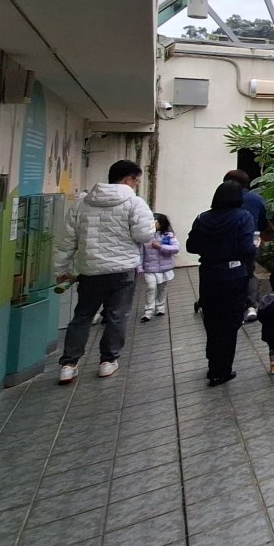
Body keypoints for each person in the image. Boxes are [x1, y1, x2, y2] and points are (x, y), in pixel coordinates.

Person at [52, 159, 157, 384]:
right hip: (122, 270)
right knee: (117, 315)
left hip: (90, 270)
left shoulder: (82, 203)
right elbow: (144, 236)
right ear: (128, 179)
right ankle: (108, 361)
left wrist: (61, 269)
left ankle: (69, 364)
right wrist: (152, 226)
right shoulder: (134, 203)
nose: (136, 185)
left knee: (82, 316)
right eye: (136, 181)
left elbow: (66, 239)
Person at [186, 181, 257, 386]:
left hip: (208, 273)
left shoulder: (203, 218)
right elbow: (247, 248)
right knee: (230, 321)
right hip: (234, 274)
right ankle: (222, 369)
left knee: (212, 319)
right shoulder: (243, 217)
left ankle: (213, 363)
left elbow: (191, 246)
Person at [224, 169, 268, 323]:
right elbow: (263, 222)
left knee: (230, 272)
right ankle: (250, 305)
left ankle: (234, 306)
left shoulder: (224, 199)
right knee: (249, 271)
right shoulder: (256, 200)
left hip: (227, 244)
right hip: (251, 242)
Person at [139, 213, 178, 322]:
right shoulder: (145, 236)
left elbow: (176, 248)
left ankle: (160, 307)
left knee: (162, 288)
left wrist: (160, 247)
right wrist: (139, 268)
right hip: (149, 267)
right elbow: (140, 253)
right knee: (151, 287)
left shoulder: (168, 235)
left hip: (164, 268)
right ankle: (148, 311)